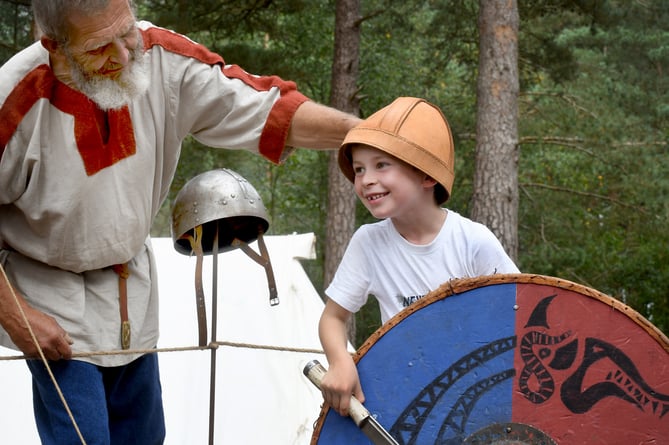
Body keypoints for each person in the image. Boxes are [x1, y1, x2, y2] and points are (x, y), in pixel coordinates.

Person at [0, 0, 360, 443]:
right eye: (99, 49)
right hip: (49, 298)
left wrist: (369, 135)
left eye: (126, 33)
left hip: (132, 289)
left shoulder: (161, 57)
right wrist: (16, 314)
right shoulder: (13, 96)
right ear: (54, 46)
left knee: (146, 438)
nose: (125, 55)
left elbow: (265, 109)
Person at [318, 97, 519, 417]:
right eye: (359, 169)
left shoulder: (472, 241)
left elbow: (519, 309)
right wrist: (340, 361)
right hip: (408, 398)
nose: (366, 179)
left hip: (478, 398)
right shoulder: (368, 243)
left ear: (427, 175)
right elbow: (332, 318)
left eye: (381, 164)